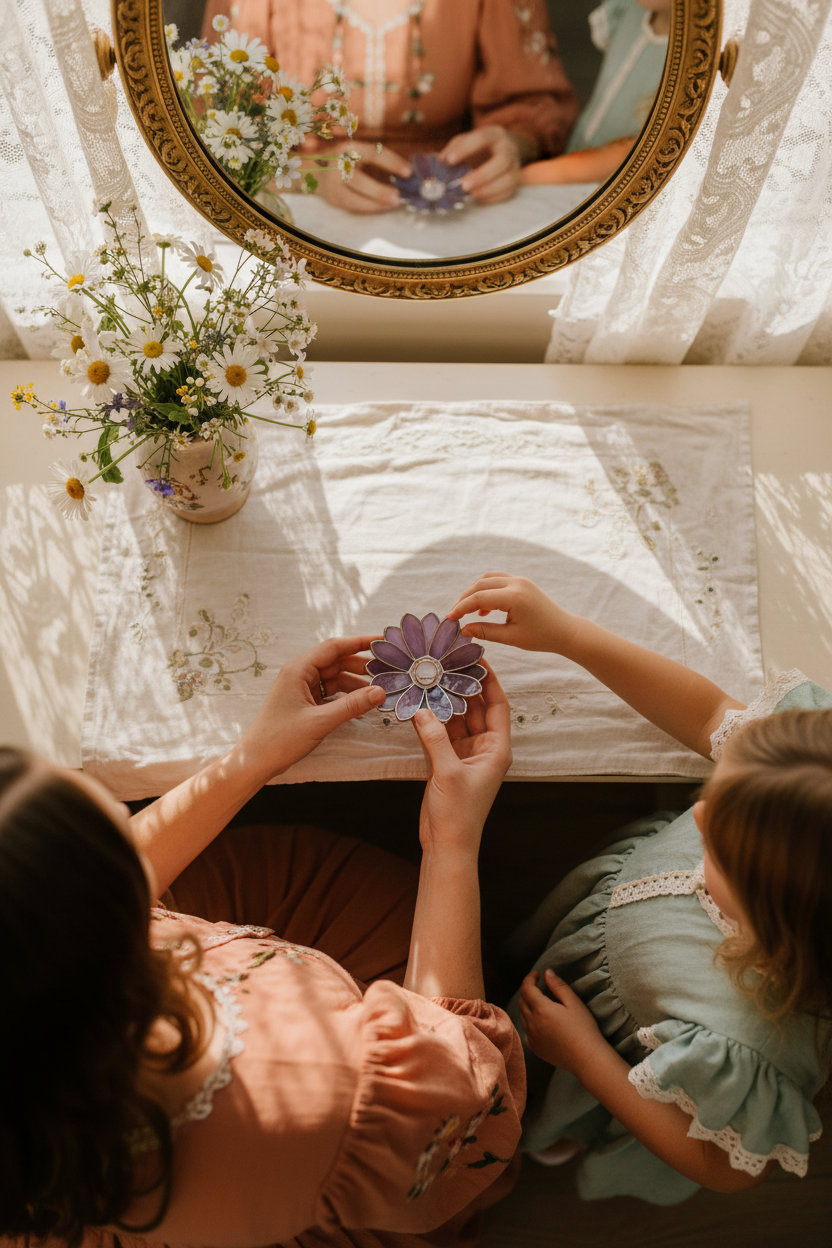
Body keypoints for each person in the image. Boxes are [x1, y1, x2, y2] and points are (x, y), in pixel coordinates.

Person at [0, 636, 524, 1248]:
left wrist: (254, 755)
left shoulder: (31, 1017)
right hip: (331, 1168)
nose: (126, 817)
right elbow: (466, 1096)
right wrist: (451, 839)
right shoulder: (312, 1087)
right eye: (113, 828)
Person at [446, 572, 832, 1205]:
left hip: (610, 1050)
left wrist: (590, 1061)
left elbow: (724, 1167)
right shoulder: (801, 776)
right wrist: (569, 634)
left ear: (774, 919)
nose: (699, 816)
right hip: (595, 941)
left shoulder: (750, 1040)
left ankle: (570, 1118)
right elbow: (709, 713)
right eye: (717, 796)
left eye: (722, 846)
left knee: (561, 1098)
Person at [202, 0, 579, 212]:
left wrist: (513, 146)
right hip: (295, 211)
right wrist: (314, 175)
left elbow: (533, 106)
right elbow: (220, 141)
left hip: (452, 218)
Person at [520, 0, 670, 188]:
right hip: (571, 165)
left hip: (615, 186)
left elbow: (635, 154)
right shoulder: (629, 10)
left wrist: (529, 177)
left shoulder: (700, 64)